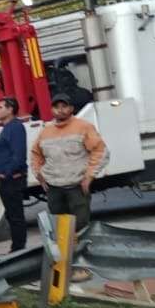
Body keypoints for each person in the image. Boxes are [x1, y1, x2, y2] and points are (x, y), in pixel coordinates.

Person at [30, 94, 108, 232]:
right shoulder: (45, 131)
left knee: (81, 227)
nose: (60, 110)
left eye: (64, 106)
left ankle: (80, 245)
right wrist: (39, 176)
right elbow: (36, 154)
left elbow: (100, 151)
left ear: (71, 108)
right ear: (51, 110)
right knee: (61, 230)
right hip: (54, 189)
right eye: (56, 107)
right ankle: (66, 247)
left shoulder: (84, 127)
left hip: (77, 187)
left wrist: (89, 177)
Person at [0, 97, 29, 252]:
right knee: (11, 214)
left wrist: (6, 173)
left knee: (15, 215)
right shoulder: (8, 128)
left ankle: (18, 248)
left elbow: (19, 155)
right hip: (6, 180)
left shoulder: (15, 128)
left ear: (10, 109)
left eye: (0, 107)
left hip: (11, 180)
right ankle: (16, 246)